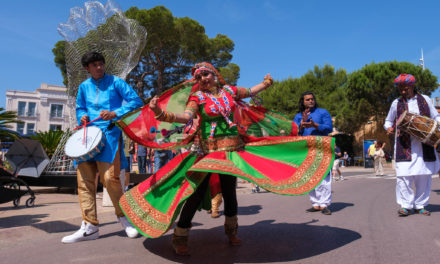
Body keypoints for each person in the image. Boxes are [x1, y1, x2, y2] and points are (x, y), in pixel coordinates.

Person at [119, 63, 334, 256]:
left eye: (206, 74)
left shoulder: (229, 91)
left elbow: (250, 92)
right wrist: (161, 113)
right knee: (196, 193)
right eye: (199, 76)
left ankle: (231, 232)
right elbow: (187, 116)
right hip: (208, 152)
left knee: (230, 193)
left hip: (232, 149)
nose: (203, 79)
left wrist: (266, 83)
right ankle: (180, 236)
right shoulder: (197, 97)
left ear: (214, 74)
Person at [61, 51, 143, 243]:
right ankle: (90, 226)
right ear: (87, 69)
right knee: (84, 182)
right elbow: (80, 106)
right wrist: (82, 116)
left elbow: (136, 102)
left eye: (101, 64)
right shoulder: (83, 86)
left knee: (110, 179)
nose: (99, 67)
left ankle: (124, 218)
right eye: (94, 65)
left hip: (109, 135)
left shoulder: (116, 82)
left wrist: (115, 112)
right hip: (86, 137)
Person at [384, 73, 440, 217]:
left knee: (424, 176)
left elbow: (436, 116)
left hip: (424, 144)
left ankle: (421, 205)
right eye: (399, 86)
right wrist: (388, 128)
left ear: (412, 85)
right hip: (404, 144)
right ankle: (406, 205)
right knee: (403, 176)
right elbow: (388, 121)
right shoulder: (396, 103)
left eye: (405, 86)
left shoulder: (426, 99)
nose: (402, 89)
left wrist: (434, 126)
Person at [293, 91, 333, 215]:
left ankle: (324, 204)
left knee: (324, 176)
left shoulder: (323, 112)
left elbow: (329, 128)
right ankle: (315, 204)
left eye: (312, 99)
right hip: (306, 148)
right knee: (310, 175)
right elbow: (294, 133)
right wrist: (300, 127)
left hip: (322, 146)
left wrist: (315, 125)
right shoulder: (298, 116)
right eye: (308, 99)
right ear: (303, 102)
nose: (311, 101)